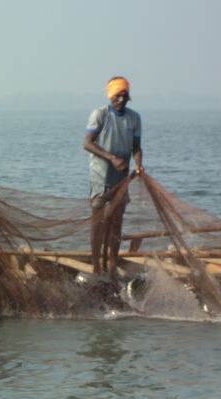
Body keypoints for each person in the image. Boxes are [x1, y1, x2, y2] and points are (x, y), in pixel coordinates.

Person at [83, 76, 144, 278]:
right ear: (111, 95)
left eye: (125, 96)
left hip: (121, 180)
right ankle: (95, 267)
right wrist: (111, 158)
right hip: (100, 177)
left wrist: (138, 164)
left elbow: (136, 147)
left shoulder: (134, 118)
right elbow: (88, 143)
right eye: (118, 96)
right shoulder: (100, 114)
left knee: (116, 223)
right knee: (98, 222)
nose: (121, 100)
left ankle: (111, 266)